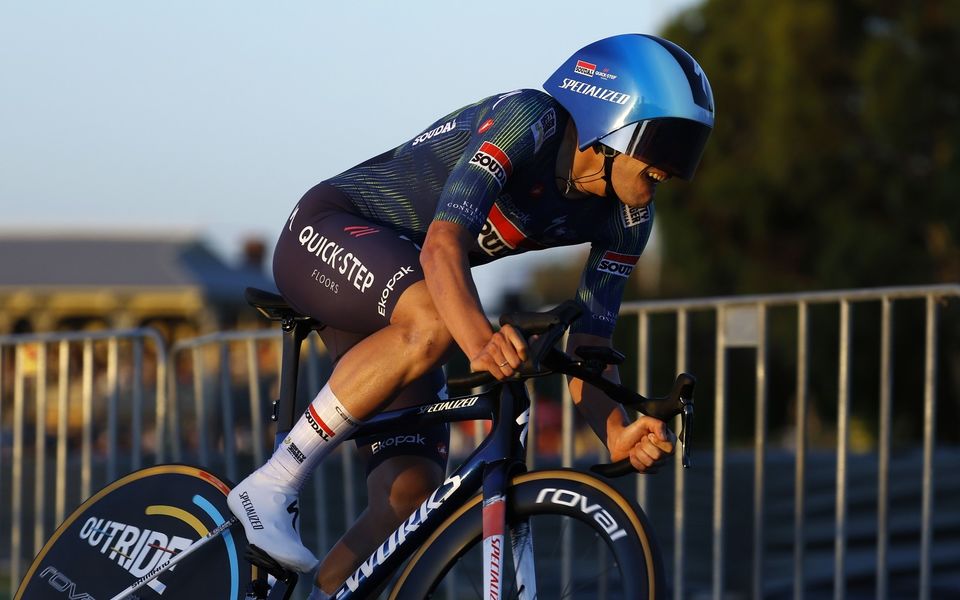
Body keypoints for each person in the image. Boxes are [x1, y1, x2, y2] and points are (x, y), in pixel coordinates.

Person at [227, 33, 714, 598]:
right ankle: (273, 483)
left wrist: (615, 432)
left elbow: (591, 346)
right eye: (668, 143)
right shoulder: (529, 119)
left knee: (409, 498)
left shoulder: (628, 220)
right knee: (436, 324)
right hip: (329, 230)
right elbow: (442, 246)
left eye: (691, 150)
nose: (675, 171)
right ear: (615, 118)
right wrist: (481, 341)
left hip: (400, 294)